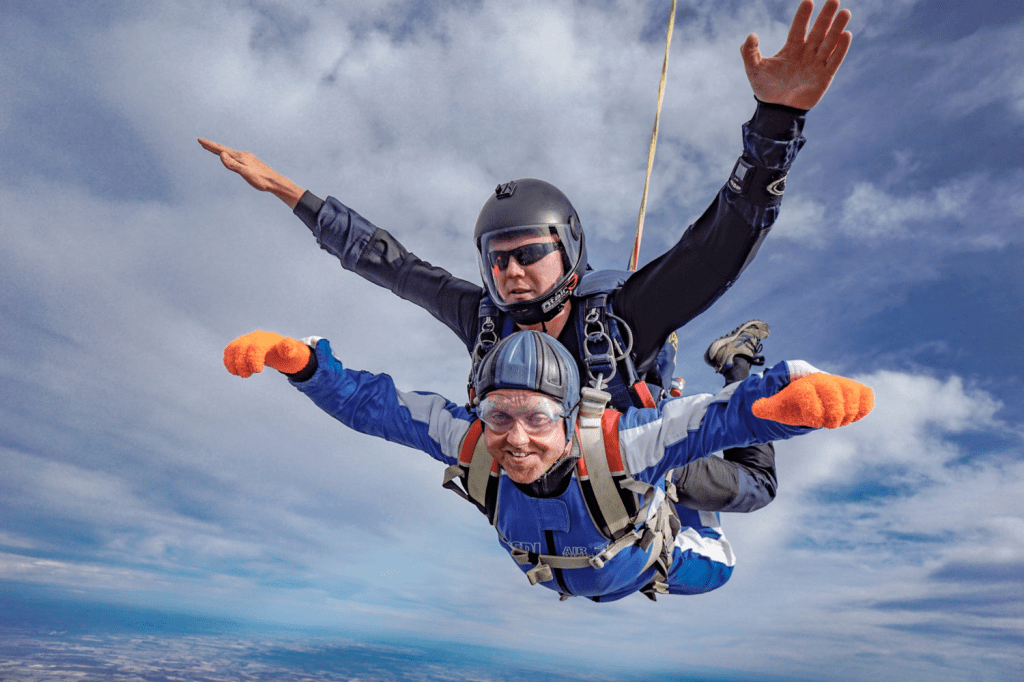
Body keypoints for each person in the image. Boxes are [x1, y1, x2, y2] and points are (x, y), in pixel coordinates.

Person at [201, 1, 853, 514]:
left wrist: (776, 122)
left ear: (568, 251)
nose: (511, 273)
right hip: (547, 465)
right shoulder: (483, 318)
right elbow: (388, 262)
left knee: (750, 490)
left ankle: (740, 360)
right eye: (497, 260)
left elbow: (716, 251)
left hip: (638, 453)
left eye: (530, 254)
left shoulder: (622, 316)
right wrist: (285, 189)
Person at [222, 328, 873, 601]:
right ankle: (662, 388)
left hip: (657, 554)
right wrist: (302, 363)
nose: (517, 440)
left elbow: (721, 420)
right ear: (479, 411)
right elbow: (376, 407)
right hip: (600, 548)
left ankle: (725, 367)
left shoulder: (621, 445)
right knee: (666, 445)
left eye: (537, 418)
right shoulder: (473, 442)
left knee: (731, 523)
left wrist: (790, 398)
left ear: (568, 416)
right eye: (497, 415)